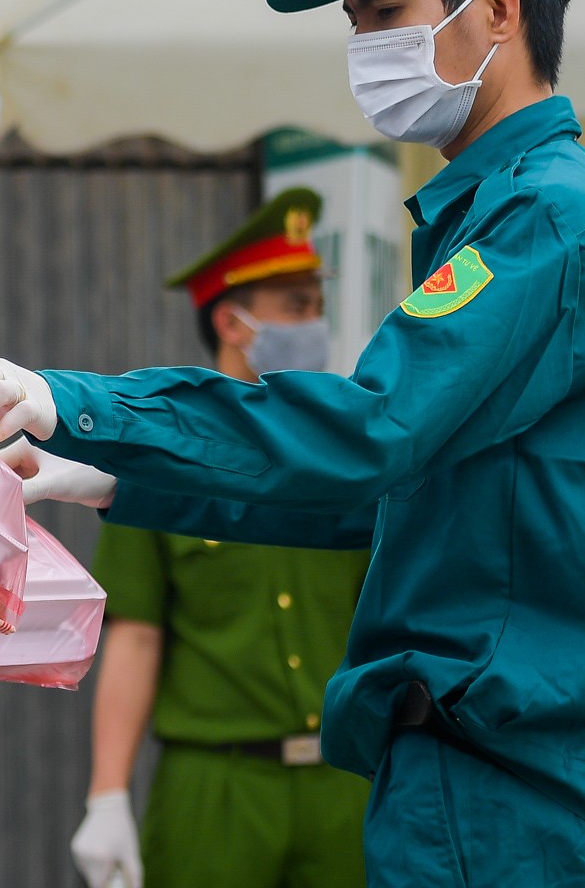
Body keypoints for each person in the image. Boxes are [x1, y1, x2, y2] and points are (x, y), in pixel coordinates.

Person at [0, 0, 585, 887]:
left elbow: (369, 434)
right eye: (353, 22)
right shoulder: (502, 213)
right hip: (489, 771)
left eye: (384, 10)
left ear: (496, 9)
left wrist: (79, 403)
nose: (364, 45)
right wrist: (113, 473)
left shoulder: (544, 218)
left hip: (507, 779)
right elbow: (405, 497)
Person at [73, 188, 371, 888]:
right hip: (218, 780)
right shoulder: (163, 455)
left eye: (318, 307)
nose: (316, 325)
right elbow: (136, 634)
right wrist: (108, 791)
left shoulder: (353, 451)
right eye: (295, 307)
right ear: (232, 322)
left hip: (346, 778)